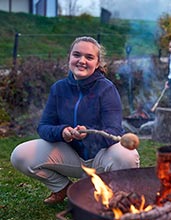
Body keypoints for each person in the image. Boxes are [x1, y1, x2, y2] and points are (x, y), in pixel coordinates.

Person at [10, 36, 140, 204]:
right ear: (69, 58)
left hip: (101, 157)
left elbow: (114, 130)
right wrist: (62, 131)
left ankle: (114, 195)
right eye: (77, 55)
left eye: (89, 57)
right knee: (20, 155)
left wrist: (88, 134)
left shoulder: (107, 89)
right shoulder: (59, 88)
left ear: (98, 63)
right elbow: (43, 127)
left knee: (127, 154)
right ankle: (62, 188)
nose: (82, 61)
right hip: (70, 156)